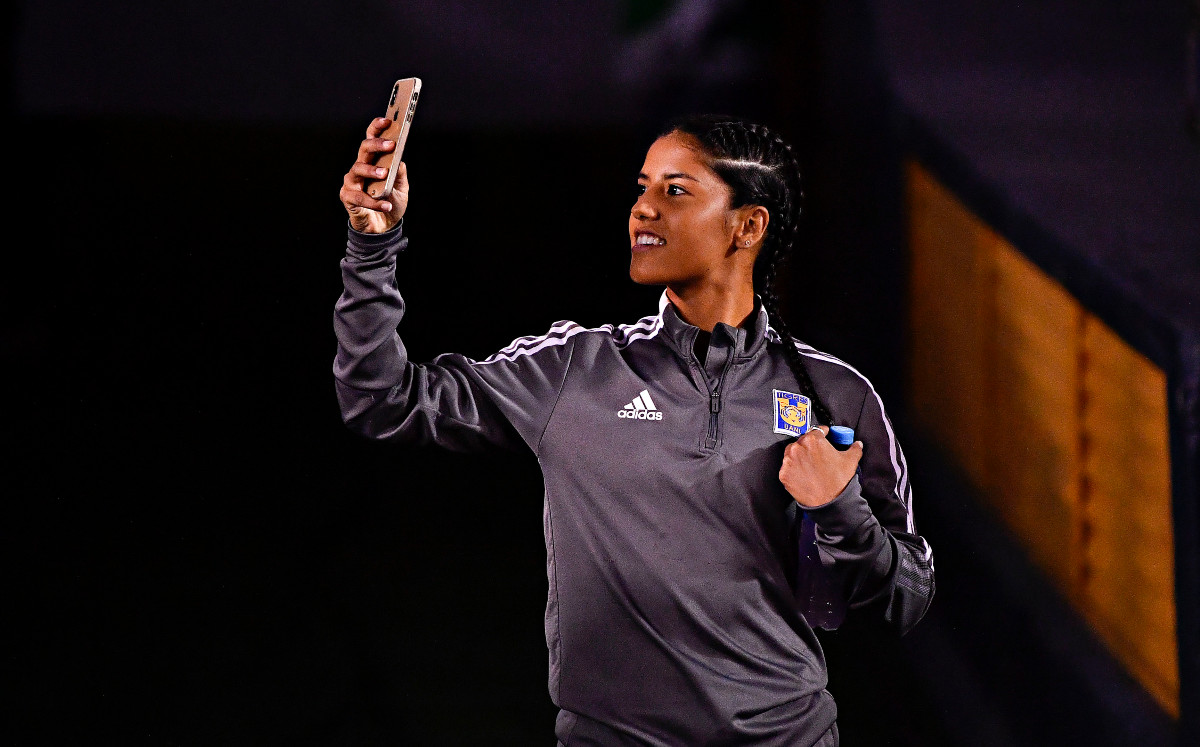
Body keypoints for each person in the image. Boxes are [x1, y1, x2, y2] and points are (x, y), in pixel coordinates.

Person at [333, 114, 934, 746]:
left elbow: (907, 598)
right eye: (642, 187)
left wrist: (840, 509)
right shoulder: (574, 369)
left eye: (675, 191)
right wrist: (372, 248)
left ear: (748, 226)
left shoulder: (834, 395)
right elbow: (383, 400)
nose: (643, 209)